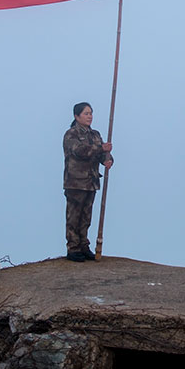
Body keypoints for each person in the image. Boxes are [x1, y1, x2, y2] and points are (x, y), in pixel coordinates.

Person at [63, 102, 113, 262]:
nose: (89, 116)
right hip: (75, 182)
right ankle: (73, 248)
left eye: (91, 113)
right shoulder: (71, 134)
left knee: (86, 217)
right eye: (86, 113)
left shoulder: (95, 135)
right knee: (74, 217)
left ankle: (84, 246)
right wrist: (101, 149)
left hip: (91, 182)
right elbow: (79, 151)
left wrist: (108, 159)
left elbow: (101, 155)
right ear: (76, 116)